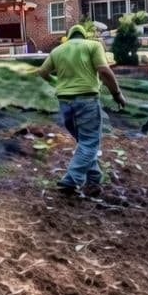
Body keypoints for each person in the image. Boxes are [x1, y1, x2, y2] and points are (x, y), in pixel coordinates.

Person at [37, 24, 127, 194]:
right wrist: (117, 94)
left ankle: (94, 180)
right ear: (83, 36)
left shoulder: (58, 50)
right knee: (89, 142)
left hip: (65, 103)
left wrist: (56, 82)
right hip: (86, 101)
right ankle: (71, 179)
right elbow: (104, 71)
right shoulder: (93, 45)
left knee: (85, 142)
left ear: (69, 36)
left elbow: (42, 72)